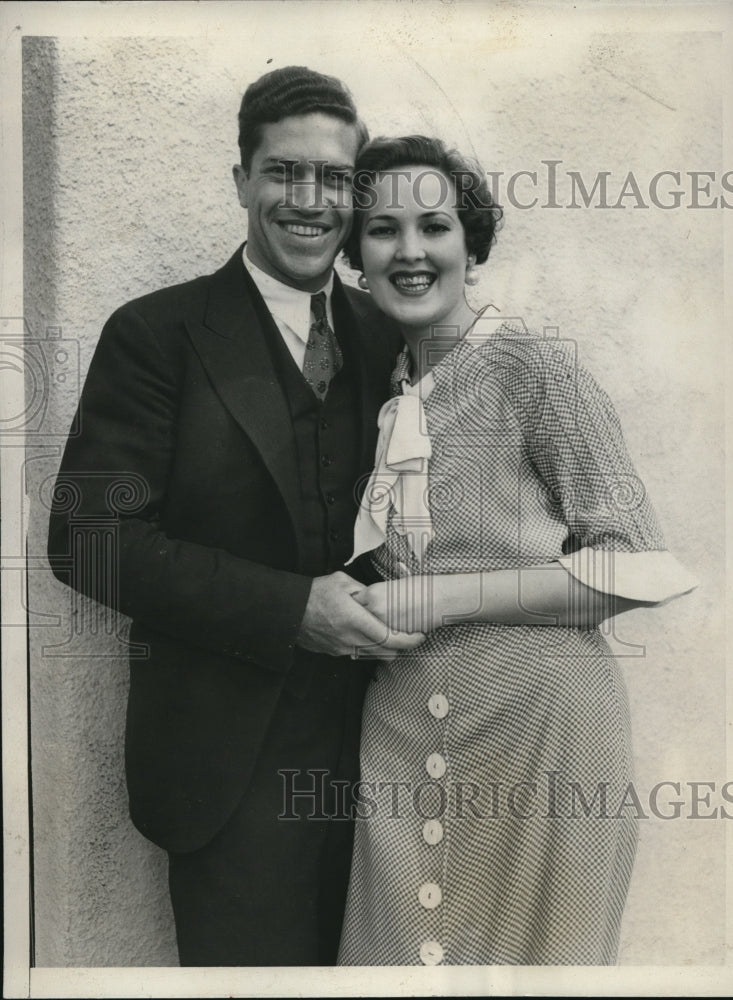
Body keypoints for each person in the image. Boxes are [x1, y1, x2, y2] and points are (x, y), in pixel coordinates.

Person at [46, 66, 424, 967]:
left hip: (394, 756)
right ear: (242, 182)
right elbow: (88, 544)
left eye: (334, 179)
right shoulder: (156, 335)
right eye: (284, 172)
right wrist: (292, 608)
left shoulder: (395, 336)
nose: (310, 200)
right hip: (231, 771)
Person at [335, 135, 698, 966]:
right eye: (383, 229)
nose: (412, 251)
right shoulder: (383, 386)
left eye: (436, 225)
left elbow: (636, 564)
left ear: (473, 243)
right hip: (405, 720)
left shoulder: (536, 369)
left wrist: (440, 598)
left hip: (544, 728)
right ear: (355, 253)